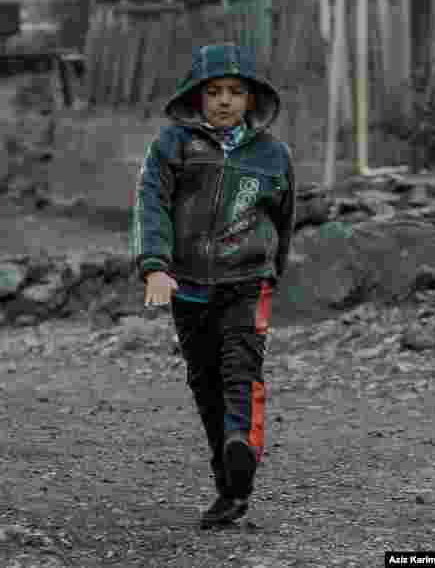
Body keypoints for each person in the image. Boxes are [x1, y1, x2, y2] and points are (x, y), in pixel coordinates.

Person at [131, 43, 295, 528]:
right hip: (188, 284)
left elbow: (284, 220)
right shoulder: (173, 145)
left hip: (248, 281)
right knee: (206, 381)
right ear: (197, 96)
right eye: (214, 91)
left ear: (252, 99)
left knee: (240, 369)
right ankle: (230, 483)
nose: (224, 101)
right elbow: (150, 202)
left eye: (236, 92)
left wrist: (274, 270)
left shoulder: (273, 154)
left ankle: (241, 445)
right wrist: (155, 265)